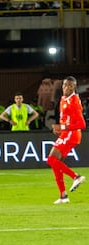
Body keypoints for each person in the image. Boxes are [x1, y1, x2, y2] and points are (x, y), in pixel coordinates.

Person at [46, 76, 86, 204]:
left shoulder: (74, 101)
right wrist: (60, 128)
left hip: (72, 134)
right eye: (64, 85)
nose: (66, 88)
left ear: (74, 87)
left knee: (51, 159)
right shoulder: (63, 98)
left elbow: (82, 124)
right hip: (66, 133)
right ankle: (63, 196)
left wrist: (63, 127)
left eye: (69, 85)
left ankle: (76, 176)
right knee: (55, 163)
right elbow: (66, 119)